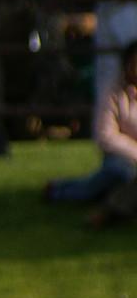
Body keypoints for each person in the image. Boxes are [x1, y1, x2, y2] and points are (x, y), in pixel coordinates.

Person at [49, 43, 137, 202]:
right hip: (121, 157)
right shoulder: (113, 92)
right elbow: (105, 136)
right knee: (121, 174)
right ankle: (59, 192)